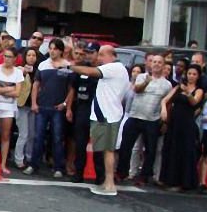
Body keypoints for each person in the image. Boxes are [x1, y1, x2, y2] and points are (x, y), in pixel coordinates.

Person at [70, 45, 130, 196]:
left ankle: (109, 183)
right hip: (103, 114)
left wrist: (69, 65)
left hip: (107, 115)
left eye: (102, 55)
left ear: (111, 55)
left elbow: (89, 71)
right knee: (104, 149)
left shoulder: (114, 68)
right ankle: (106, 182)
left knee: (108, 150)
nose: (100, 58)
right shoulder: (115, 69)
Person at [116, 54, 173, 185]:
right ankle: (121, 173)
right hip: (135, 116)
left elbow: (167, 103)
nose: (156, 64)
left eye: (159, 62)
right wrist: (147, 81)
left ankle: (144, 176)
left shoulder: (167, 84)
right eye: (154, 62)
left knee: (151, 150)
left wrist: (165, 122)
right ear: (150, 64)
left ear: (164, 66)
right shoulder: (142, 76)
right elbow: (136, 89)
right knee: (126, 146)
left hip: (152, 119)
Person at [25, 38, 71, 178]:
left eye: (55, 48)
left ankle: (58, 167)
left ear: (61, 51)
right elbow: (36, 85)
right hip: (42, 106)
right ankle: (33, 164)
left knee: (57, 138)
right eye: (50, 48)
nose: (52, 51)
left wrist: (65, 104)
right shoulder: (43, 65)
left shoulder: (67, 66)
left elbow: (71, 89)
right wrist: (34, 103)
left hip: (57, 108)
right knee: (38, 136)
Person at [159, 64, 204, 191]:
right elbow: (165, 99)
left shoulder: (199, 90)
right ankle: (168, 179)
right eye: (189, 73)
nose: (191, 76)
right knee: (171, 148)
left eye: (194, 74)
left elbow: (194, 102)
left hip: (187, 124)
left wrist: (188, 93)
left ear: (198, 76)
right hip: (174, 122)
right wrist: (164, 110)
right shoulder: (179, 87)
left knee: (184, 151)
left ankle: (182, 182)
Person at [67, 42, 104, 183]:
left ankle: (99, 176)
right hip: (82, 108)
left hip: (98, 109)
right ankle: (78, 173)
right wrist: (69, 108)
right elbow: (73, 89)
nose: (88, 55)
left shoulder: (103, 70)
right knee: (80, 143)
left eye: (91, 52)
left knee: (98, 145)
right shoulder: (82, 68)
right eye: (87, 52)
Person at [0, 44, 24, 175]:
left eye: (9, 57)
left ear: (15, 59)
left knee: (5, 135)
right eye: (5, 56)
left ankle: (2, 164)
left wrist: (1, 90)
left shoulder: (18, 73)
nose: (6, 59)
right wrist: (9, 89)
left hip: (8, 108)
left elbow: (18, 92)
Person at [15, 47, 38, 169]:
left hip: (33, 106)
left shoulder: (39, 70)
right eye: (29, 55)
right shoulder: (19, 69)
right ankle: (19, 159)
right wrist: (23, 72)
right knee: (23, 133)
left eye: (34, 55)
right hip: (21, 105)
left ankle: (29, 157)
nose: (31, 58)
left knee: (32, 134)